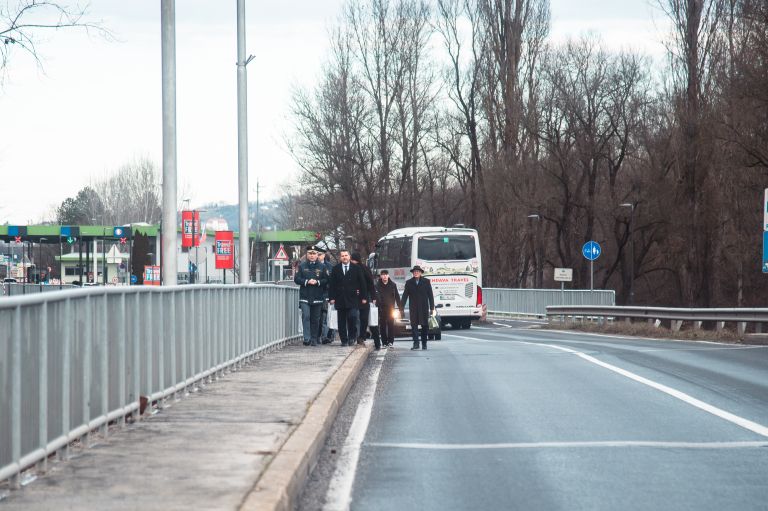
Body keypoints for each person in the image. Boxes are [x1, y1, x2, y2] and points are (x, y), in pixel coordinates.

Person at [329, 249, 368, 347]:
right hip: (340, 298)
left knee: (353, 317)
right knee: (341, 321)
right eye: (342, 256)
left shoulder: (356, 268)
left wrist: (364, 297)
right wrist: (331, 298)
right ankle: (344, 340)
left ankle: (352, 336)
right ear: (340, 257)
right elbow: (332, 284)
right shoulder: (336, 269)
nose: (344, 257)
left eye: (346, 255)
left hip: (353, 298)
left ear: (349, 257)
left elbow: (362, 283)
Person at [294, 245, 328, 346]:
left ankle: (314, 338)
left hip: (317, 297)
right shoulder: (302, 266)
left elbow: (326, 280)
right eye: (310, 253)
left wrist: (317, 282)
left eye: (314, 253)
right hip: (305, 296)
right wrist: (306, 281)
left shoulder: (322, 267)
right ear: (307, 254)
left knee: (316, 319)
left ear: (317, 255)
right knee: (306, 316)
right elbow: (297, 279)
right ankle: (307, 338)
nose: (312, 255)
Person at [400, 265, 435, 350]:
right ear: (413, 273)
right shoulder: (409, 282)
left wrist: (432, 308)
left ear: (421, 273)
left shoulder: (426, 282)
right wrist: (401, 308)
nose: (416, 273)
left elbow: (430, 296)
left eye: (418, 272)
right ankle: (416, 343)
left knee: (425, 326)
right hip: (414, 308)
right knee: (414, 326)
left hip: (423, 308)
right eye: (414, 272)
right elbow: (404, 296)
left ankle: (424, 343)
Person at [351, 252, 380, 348]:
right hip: (360, 297)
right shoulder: (355, 268)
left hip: (364, 297)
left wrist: (373, 297)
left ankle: (361, 336)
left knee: (363, 318)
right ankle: (359, 336)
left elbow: (370, 284)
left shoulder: (364, 269)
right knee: (360, 318)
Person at [375, 269, 402, 348]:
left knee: (391, 325)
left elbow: (397, 296)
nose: (385, 276)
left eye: (386, 274)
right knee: (382, 325)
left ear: (388, 275)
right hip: (381, 308)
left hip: (391, 308)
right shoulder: (377, 285)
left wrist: (400, 308)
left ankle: (390, 341)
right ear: (381, 276)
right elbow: (375, 296)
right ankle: (384, 342)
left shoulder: (393, 285)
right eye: (383, 275)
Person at [317, 250, 335, 344]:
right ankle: (319, 336)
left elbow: (332, 282)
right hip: (317, 294)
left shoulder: (329, 266)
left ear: (324, 255)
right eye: (318, 254)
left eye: (320, 254)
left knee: (326, 316)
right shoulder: (314, 265)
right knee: (318, 318)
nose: (319, 256)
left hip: (327, 294)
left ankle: (326, 336)